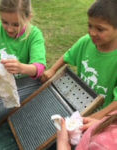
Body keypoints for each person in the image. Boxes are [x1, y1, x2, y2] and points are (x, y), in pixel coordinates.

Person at [41, 0, 117, 128]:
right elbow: (68, 56)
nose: (92, 32)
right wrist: (53, 70)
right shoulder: (86, 42)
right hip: (78, 104)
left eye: (100, 29)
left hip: (103, 116)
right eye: (90, 26)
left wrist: (99, 118)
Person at [0, 0, 46, 84]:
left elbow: (40, 68)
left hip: (26, 87)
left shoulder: (34, 35)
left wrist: (21, 68)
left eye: (16, 24)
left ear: (28, 18)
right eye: (5, 22)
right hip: (1, 89)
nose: (9, 29)